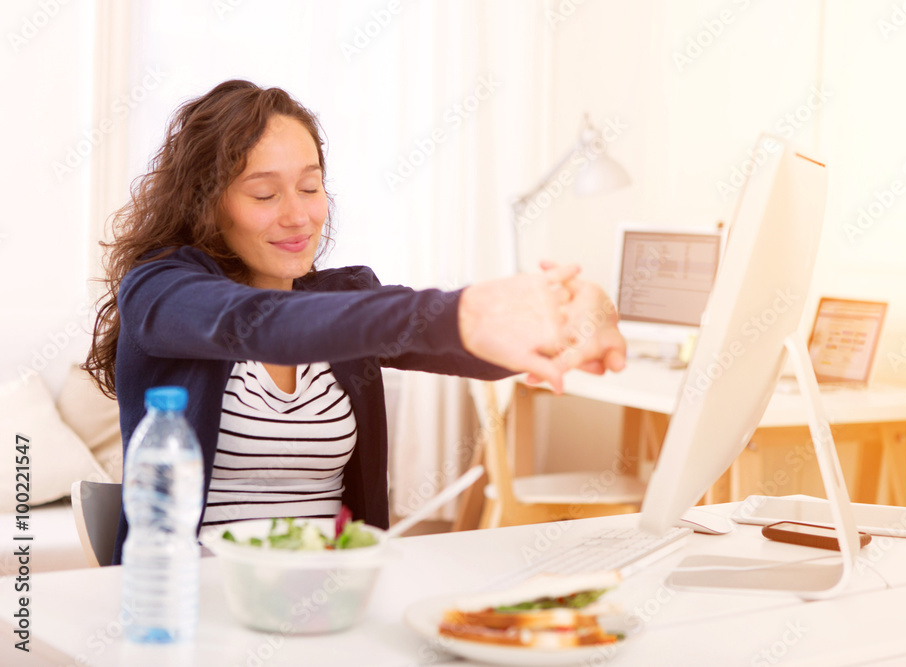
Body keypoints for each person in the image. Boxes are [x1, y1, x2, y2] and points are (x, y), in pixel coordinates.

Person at [84, 80, 627, 565]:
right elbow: (255, 322)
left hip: (331, 602)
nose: (299, 215)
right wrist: (465, 310)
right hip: (201, 609)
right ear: (207, 204)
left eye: (311, 186)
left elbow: (467, 342)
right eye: (265, 194)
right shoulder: (161, 292)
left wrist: (572, 316)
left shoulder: (342, 302)